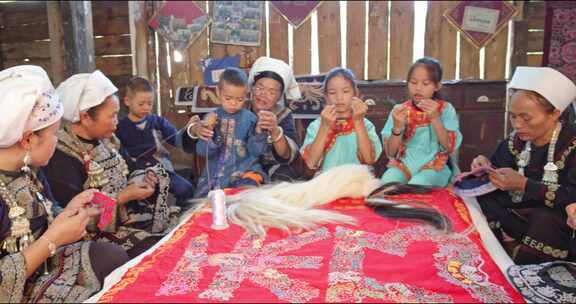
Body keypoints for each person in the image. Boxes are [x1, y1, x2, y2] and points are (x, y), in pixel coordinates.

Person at [0, 65, 128, 302]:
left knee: (114, 259)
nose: (59, 140)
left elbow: (48, 215)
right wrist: (52, 240)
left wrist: (69, 212)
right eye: (56, 133)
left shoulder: (29, 171)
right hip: (15, 290)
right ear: (28, 139)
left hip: (45, 265)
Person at [42, 70, 176, 258]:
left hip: (128, 218)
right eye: (112, 116)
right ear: (86, 117)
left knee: (175, 230)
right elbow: (75, 217)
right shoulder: (62, 156)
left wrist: (144, 178)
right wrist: (121, 197)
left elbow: (131, 167)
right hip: (95, 236)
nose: (116, 122)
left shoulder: (109, 141)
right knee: (158, 251)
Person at [473, 66, 576, 264]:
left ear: (554, 114)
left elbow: (571, 196)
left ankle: (526, 272)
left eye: (526, 118)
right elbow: (496, 167)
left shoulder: (571, 144)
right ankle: (497, 257)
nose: (517, 124)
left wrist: (524, 185)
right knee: (482, 199)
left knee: (547, 218)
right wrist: (484, 165)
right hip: (519, 214)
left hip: (556, 225)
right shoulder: (516, 141)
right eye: (513, 116)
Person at [188, 57, 301, 181]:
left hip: (272, 169)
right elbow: (204, 130)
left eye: (272, 91)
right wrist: (196, 128)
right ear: (251, 88)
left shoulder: (283, 114)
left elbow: (288, 155)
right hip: (237, 166)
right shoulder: (237, 106)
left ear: (279, 96)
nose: (263, 94)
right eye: (260, 87)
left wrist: (275, 131)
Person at [380, 57, 462, 187]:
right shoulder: (399, 111)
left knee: (418, 184)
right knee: (386, 183)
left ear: (437, 86)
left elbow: (448, 147)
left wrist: (435, 118)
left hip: (434, 167)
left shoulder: (446, 110)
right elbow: (390, 153)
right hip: (404, 165)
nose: (418, 88)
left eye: (425, 83)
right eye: (413, 82)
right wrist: (397, 127)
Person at [116, 77, 195, 206]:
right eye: (141, 104)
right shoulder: (119, 126)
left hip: (161, 170)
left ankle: (180, 221)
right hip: (135, 174)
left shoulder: (158, 122)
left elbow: (177, 139)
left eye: (150, 103)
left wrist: (190, 130)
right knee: (141, 203)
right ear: (127, 101)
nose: (146, 108)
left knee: (186, 189)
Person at [192, 68, 267, 198]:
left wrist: (259, 132)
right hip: (216, 174)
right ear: (218, 92)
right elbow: (201, 151)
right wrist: (208, 130)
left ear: (246, 95)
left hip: (245, 171)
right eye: (228, 98)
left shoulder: (250, 119)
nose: (233, 103)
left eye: (240, 99)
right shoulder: (211, 118)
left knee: (246, 195)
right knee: (202, 202)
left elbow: (257, 152)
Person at [300, 67, 382, 171]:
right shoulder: (317, 126)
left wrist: (358, 121)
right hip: (328, 181)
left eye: (345, 91)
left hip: (357, 181)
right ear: (326, 97)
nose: (339, 98)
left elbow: (369, 159)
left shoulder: (365, 124)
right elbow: (310, 163)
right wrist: (325, 127)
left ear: (355, 93)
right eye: (332, 92)